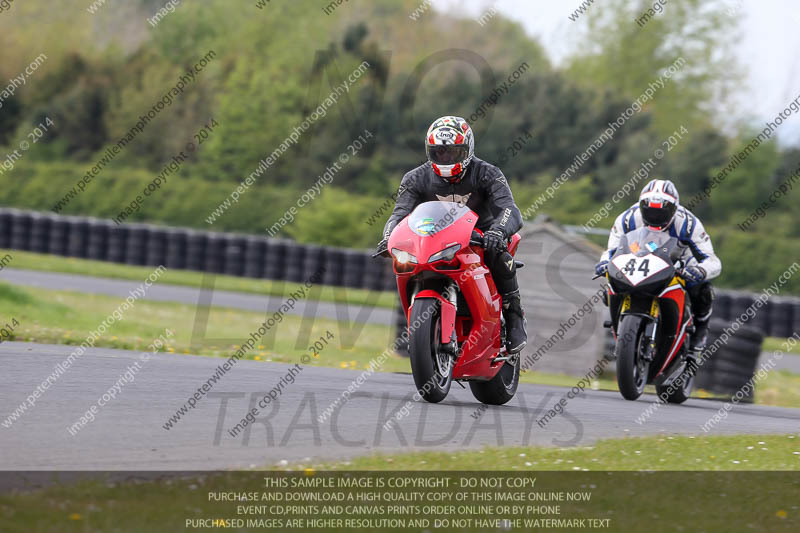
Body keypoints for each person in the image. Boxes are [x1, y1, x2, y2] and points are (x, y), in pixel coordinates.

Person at [376, 116, 527, 353]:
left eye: (453, 152)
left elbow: (510, 210)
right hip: (436, 240)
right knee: (406, 263)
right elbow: (399, 214)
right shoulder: (414, 178)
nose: (445, 158)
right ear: (429, 152)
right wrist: (388, 238)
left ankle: (514, 313)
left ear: (467, 149)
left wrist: (497, 231)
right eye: (439, 152)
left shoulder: (488, 173)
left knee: (499, 254)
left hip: (481, 237)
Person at [595, 179, 721, 351]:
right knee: (610, 282)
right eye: (650, 212)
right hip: (638, 259)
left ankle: (700, 331)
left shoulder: (689, 224)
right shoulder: (627, 219)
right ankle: (620, 322)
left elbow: (713, 261)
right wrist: (603, 263)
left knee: (702, 290)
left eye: (661, 213)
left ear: (674, 210)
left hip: (679, 261)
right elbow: (611, 251)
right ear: (641, 207)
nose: (654, 217)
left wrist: (700, 270)